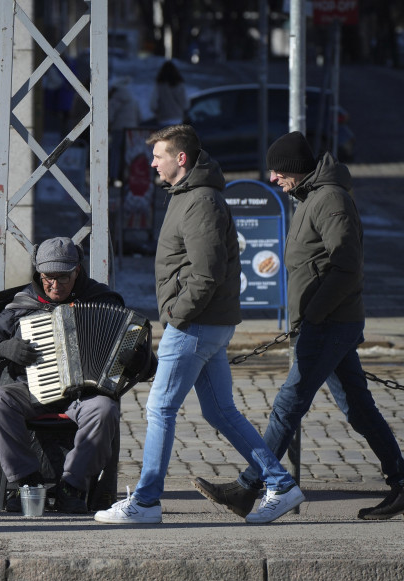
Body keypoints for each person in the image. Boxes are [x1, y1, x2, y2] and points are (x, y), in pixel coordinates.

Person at [193, 131, 404, 521]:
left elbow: (346, 266)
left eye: (278, 171)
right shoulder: (312, 198)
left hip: (329, 323)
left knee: (288, 404)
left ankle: (249, 487)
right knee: (360, 409)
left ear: (296, 169)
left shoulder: (330, 200)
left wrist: (313, 313)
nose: (273, 179)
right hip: (326, 322)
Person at [94, 125, 304, 526]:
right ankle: (280, 483)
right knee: (221, 411)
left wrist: (177, 314)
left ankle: (146, 501)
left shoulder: (201, 201)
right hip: (205, 323)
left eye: (158, 156)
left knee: (160, 408)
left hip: (195, 325)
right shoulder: (188, 195)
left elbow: (206, 273)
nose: (152, 163)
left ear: (181, 158)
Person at [0, 237, 155, 514]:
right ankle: (26, 482)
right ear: (39, 273)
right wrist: (2, 348)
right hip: (31, 389)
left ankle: (72, 486)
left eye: (63, 278)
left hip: (86, 395)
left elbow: (148, 366)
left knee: (104, 409)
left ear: (77, 271)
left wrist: (138, 360)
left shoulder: (102, 300)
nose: (54, 285)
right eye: (48, 278)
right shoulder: (23, 303)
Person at [108, 77, 142, 185]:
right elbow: (139, 116)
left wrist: (109, 126)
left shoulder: (115, 99)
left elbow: (109, 116)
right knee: (128, 153)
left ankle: (113, 176)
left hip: (118, 129)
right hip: (131, 130)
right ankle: (127, 176)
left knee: (115, 153)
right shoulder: (133, 98)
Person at [148, 60, 189, 128]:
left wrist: (158, 112)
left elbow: (153, 105)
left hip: (163, 119)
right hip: (177, 119)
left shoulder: (159, 86)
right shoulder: (180, 85)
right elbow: (185, 104)